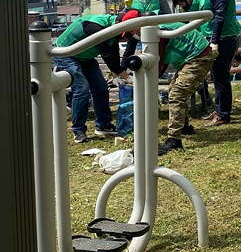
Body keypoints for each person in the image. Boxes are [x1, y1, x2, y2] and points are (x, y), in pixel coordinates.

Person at [121, 10, 216, 155]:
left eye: (130, 32)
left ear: (139, 25)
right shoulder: (157, 27)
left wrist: (148, 82)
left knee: (177, 94)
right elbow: (160, 62)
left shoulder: (157, 31)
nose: (132, 36)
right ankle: (184, 126)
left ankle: (174, 140)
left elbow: (156, 62)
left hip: (198, 57)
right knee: (175, 90)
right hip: (192, 57)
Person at [181, 0, 241, 126]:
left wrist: (214, 41)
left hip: (224, 38)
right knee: (217, 76)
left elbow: (219, 17)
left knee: (221, 77)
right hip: (224, 36)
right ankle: (219, 109)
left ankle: (223, 114)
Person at [53, 14, 130, 144]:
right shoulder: (95, 26)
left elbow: (113, 53)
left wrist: (116, 75)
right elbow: (105, 53)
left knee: (101, 88)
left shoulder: (113, 31)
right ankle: (78, 130)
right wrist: (127, 77)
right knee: (82, 89)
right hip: (65, 54)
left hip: (85, 58)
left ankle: (103, 125)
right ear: (118, 23)